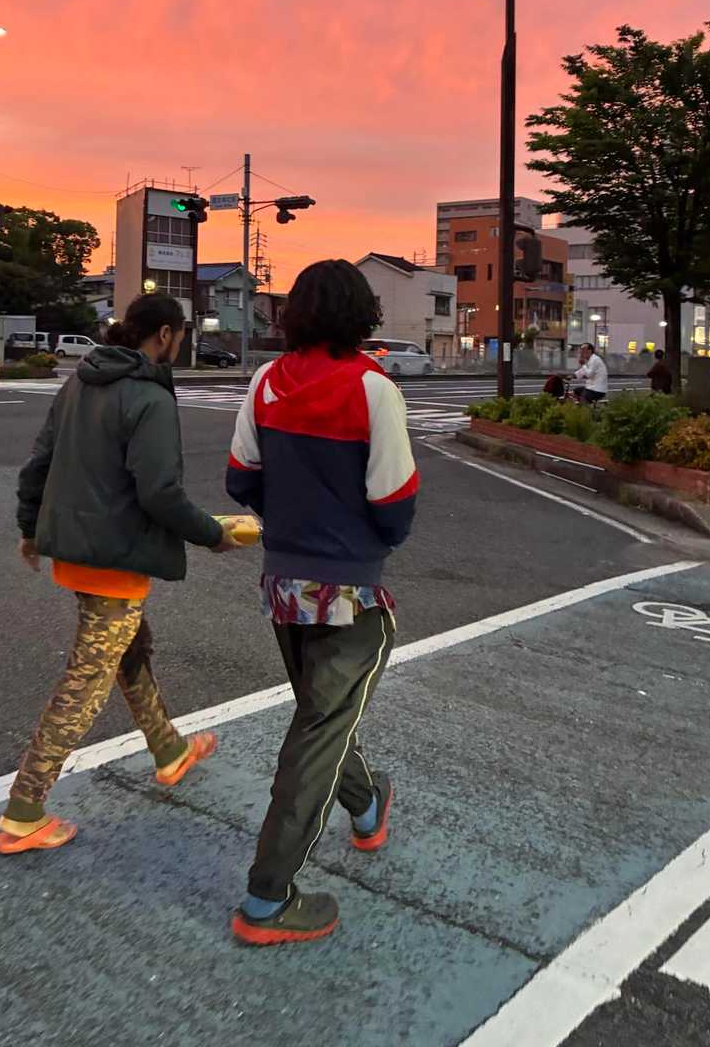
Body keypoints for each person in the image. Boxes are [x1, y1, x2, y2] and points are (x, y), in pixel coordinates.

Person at [0, 292, 238, 855]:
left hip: (74, 547)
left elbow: (39, 463)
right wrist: (213, 534)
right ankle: (24, 811)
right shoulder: (150, 396)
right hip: (115, 557)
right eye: (181, 336)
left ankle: (169, 749)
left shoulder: (80, 382)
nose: (181, 345)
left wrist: (30, 529)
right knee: (84, 682)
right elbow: (160, 492)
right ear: (166, 334)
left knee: (128, 648)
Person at [226, 260, 419, 945]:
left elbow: (240, 478)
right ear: (362, 314)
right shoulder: (372, 388)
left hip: (283, 586)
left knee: (322, 716)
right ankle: (268, 897)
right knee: (317, 733)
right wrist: (362, 541)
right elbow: (394, 502)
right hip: (349, 590)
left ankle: (367, 806)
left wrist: (288, 521)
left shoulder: (266, 382)